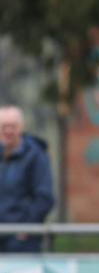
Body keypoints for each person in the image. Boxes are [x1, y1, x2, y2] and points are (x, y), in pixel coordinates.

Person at [0, 106, 55, 253]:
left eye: (13, 126)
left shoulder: (35, 156)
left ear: (21, 127)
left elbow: (44, 197)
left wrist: (26, 228)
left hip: (21, 242)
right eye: (4, 126)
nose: (8, 131)